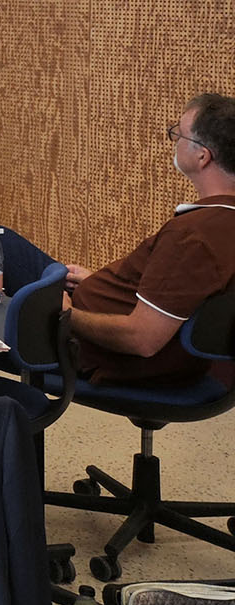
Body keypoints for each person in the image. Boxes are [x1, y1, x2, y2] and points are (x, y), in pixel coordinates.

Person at [59, 92, 235, 389]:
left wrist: (67, 315)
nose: (174, 140)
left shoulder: (192, 237)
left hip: (92, 352)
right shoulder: (219, 223)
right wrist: (101, 283)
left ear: (202, 156)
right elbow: (181, 294)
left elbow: (142, 339)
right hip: (126, 333)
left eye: (179, 134)